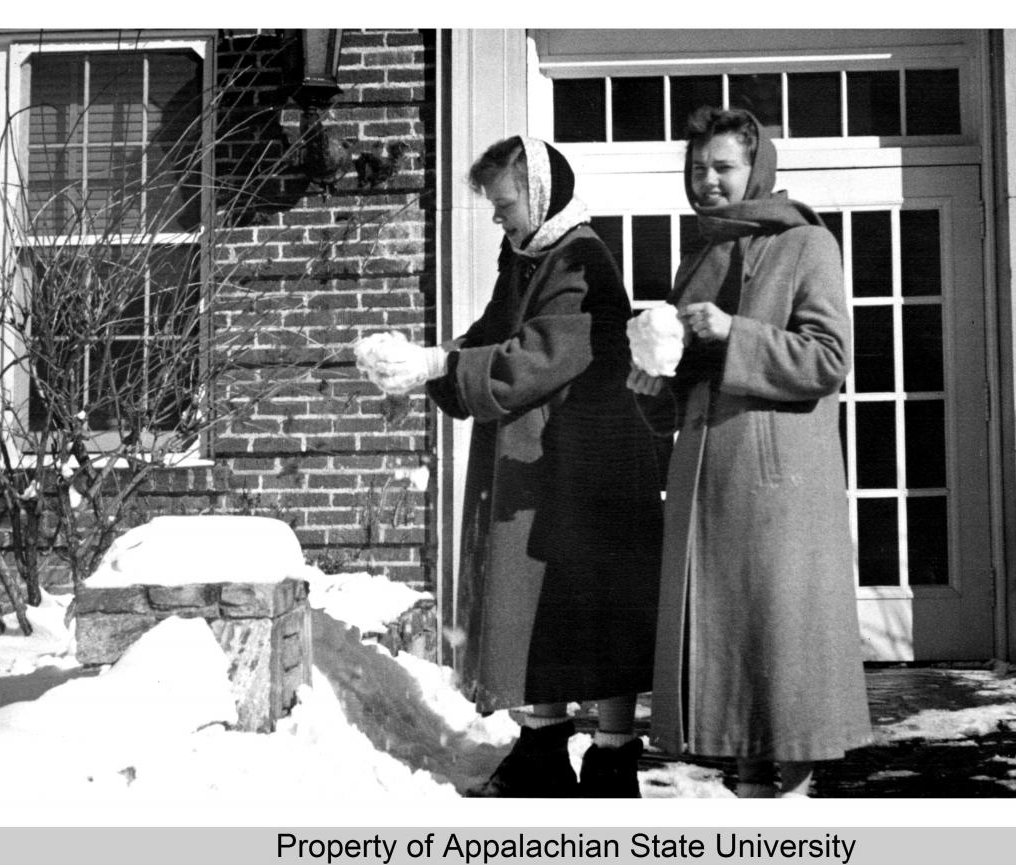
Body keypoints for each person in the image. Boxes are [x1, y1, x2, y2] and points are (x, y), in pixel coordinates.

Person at [372, 135, 668, 798]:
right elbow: (489, 336)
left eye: (505, 204)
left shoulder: (580, 258)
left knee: (597, 611)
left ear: (538, 195)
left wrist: (440, 366)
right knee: (541, 604)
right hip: (547, 462)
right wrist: (426, 362)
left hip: (592, 461)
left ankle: (613, 759)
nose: (499, 218)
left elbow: (535, 355)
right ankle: (542, 745)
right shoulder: (527, 255)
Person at [628, 107, 873, 797]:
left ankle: (792, 799)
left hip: (778, 485)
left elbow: (829, 358)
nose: (706, 181)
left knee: (780, 651)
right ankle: (750, 793)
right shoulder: (697, 257)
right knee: (732, 660)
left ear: (756, 169)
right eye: (696, 168)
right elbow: (678, 393)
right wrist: (650, 379)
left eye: (722, 168)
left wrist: (737, 331)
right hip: (706, 484)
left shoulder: (807, 245)